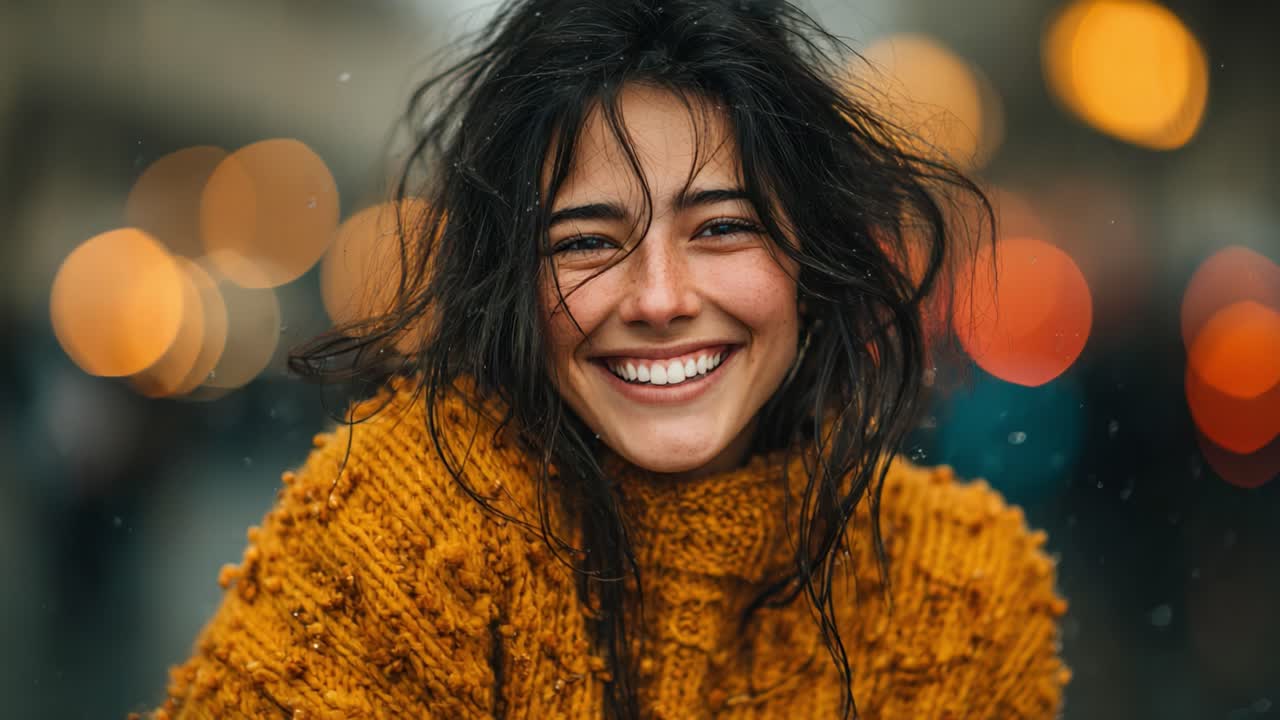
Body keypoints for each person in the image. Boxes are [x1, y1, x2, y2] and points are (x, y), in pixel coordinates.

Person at [153, 0, 1070, 717]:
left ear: (811, 261)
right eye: (586, 241)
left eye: (721, 227)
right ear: (510, 278)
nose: (661, 297)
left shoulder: (965, 590)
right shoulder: (391, 534)